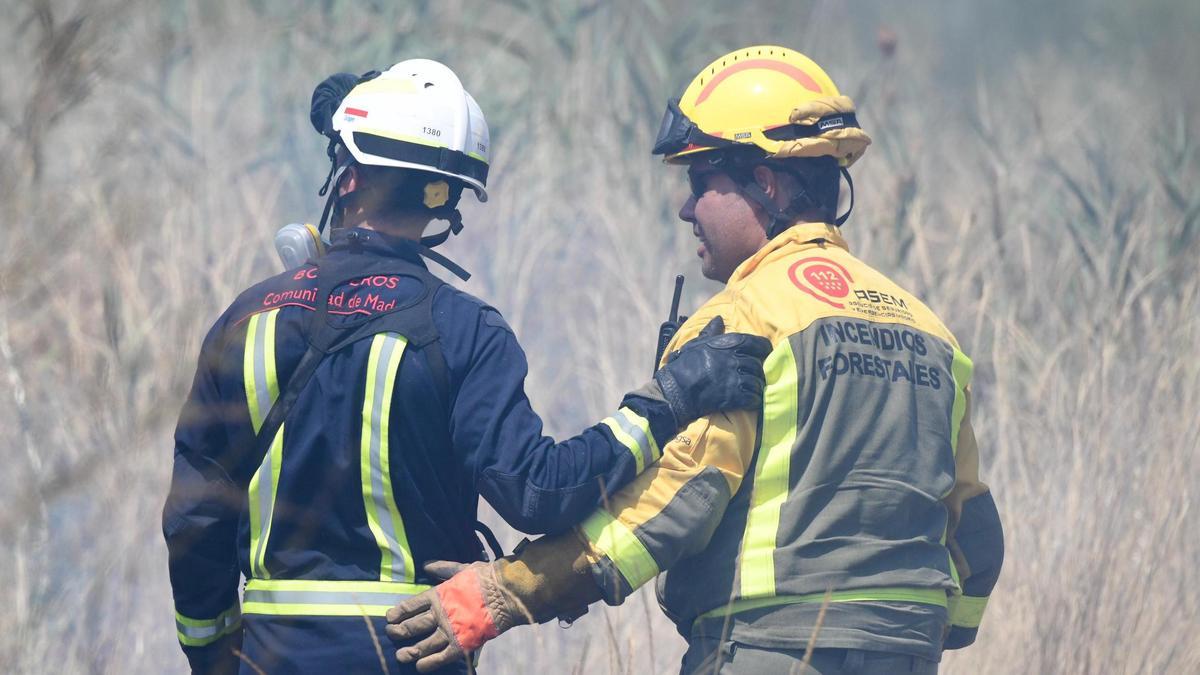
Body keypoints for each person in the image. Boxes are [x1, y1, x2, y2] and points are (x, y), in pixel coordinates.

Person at [387, 46, 1005, 675]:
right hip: (909, 654)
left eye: (699, 182)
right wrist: (921, 632)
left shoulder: (742, 321)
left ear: (764, 182)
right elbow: (975, 531)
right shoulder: (930, 331)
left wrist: (501, 593)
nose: (687, 210)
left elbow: (676, 502)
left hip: (770, 650)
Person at [161, 58, 772, 675]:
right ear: (444, 197)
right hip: (412, 654)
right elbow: (540, 493)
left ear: (345, 178)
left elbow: (194, 516)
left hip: (270, 656)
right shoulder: (463, 331)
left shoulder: (246, 321)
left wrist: (215, 656)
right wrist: (664, 402)